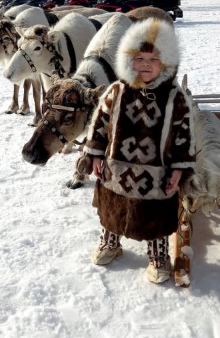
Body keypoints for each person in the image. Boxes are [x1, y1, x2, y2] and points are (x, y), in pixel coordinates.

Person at [76, 17, 196, 284]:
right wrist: (94, 153)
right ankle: (110, 244)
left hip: (156, 175)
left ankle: (158, 257)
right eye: (139, 58)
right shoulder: (117, 91)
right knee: (111, 212)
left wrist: (180, 169)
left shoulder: (175, 98)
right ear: (128, 58)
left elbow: (184, 136)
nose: (145, 65)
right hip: (114, 170)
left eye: (152, 60)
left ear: (165, 62)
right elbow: (99, 123)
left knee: (155, 219)